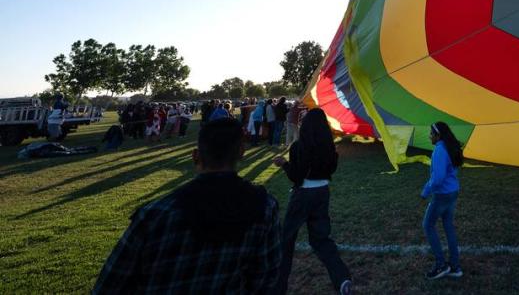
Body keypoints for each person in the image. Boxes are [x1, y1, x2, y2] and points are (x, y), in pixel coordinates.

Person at [93, 118, 282, 293]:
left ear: (195, 156)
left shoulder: (156, 214)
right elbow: (266, 278)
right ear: (241, 152)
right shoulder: (265, 207)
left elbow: (111, 284)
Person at [272, 108, 352, 295]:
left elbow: (296, 176)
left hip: (303, 195)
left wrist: (284, 164)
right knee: (321, 239)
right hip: (322, 192)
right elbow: (330, 170)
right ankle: (342, 278)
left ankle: (277, 287)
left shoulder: (298, 147)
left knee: (286, 240)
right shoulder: (329, 147)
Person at [421, 121, 463, 280]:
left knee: (428, 225)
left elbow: (437, 178)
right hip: (453, 192)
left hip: (443, 195)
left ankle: (441, 265)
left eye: (431, 134)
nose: (429, 136)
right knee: (448, 226)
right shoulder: (450, 148)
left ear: (438, 135)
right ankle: (455, 266)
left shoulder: (440, 150)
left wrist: (426, 191)